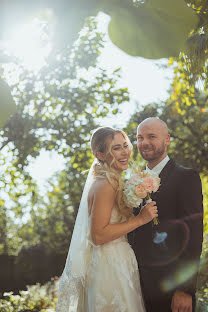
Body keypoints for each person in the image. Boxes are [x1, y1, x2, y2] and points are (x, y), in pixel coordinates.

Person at [56, 126, 158, 312]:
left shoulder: (113, 181)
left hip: (118, 260)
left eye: (125, 145)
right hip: (109, 266)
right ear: (101, 155)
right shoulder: (105, 185)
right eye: (116, 148)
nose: (124, 151)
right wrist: (140, 219)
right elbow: (98, 235)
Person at [128, 117, 203, 312]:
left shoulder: (186, 177)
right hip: (135, 289)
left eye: (151, 136)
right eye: (140, 138)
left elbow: (194, 238)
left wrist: (184, 290)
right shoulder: (130, 184)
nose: (144, 143)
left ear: (167, 139)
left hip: (171, 291)